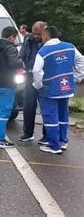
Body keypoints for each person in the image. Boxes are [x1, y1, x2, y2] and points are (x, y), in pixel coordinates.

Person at [32, 26, 84, 154]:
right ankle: (63, 141)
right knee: (63, 115)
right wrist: (76, 77)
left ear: (45, 36)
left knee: (50, 117)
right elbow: (81, 61)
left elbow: (36, 71)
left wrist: (38, 85)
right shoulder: (70, 47)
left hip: (49, 89)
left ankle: (54, 146)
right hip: (66, 88)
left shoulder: (43, 51)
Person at [19, 21, 47, 143]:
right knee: (28, 105)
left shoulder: (50, 42)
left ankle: (47, 135)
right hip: (30, 75)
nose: (36, 37)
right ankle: (28, 132)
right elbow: (22, 55)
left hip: (45, 77)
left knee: (46, 107)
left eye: (38, 34)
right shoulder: (28, 39)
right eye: (34, 33)